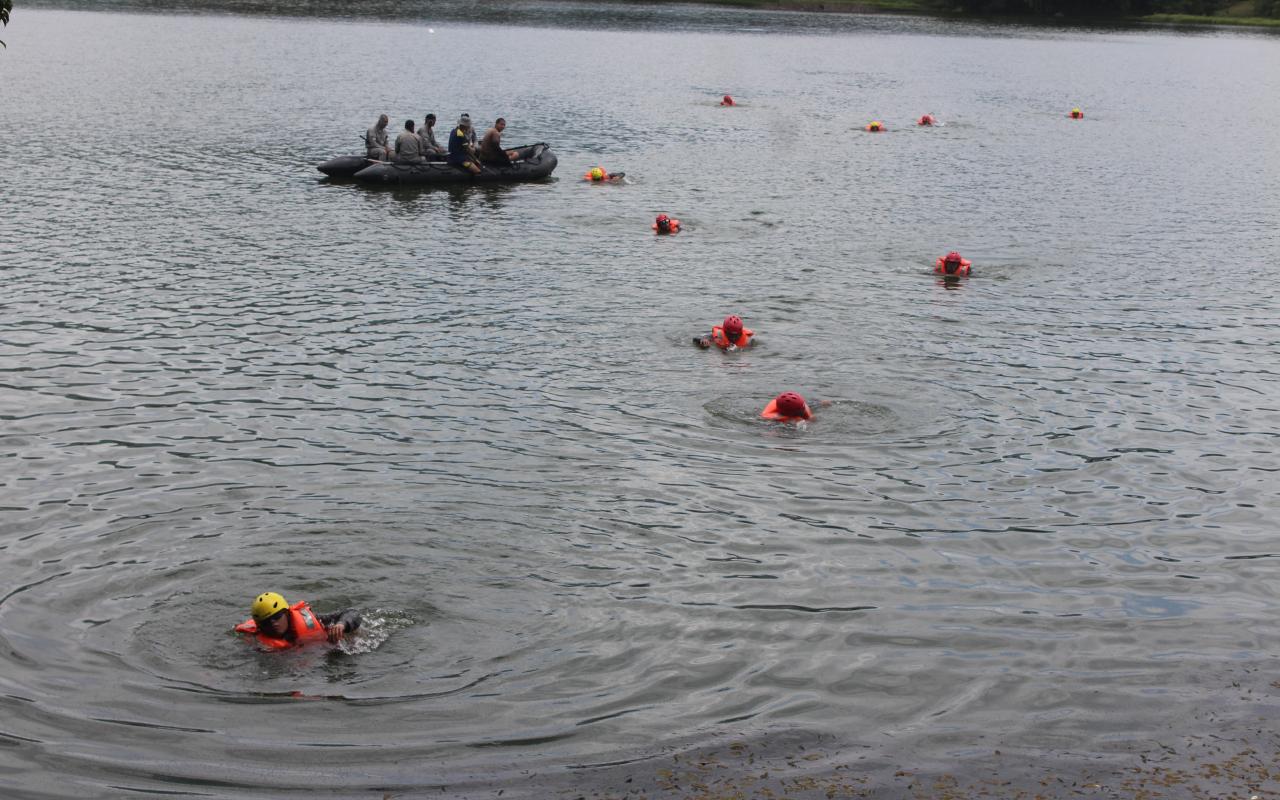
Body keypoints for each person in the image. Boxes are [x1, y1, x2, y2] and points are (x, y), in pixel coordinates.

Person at [233, 592, 362, 650]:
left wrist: (341, 625)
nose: (273, 623)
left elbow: (353, 612)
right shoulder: (254, 642)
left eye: (277, 616)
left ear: (287, 613)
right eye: (266, 622)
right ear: (259, 625)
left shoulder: (312, 620)